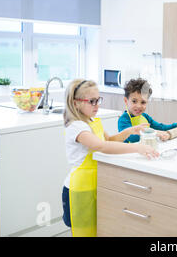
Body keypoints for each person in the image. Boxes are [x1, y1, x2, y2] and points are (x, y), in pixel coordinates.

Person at [62, 79, 159, 237]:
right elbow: (101, 146)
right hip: (78, 189)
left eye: (98, 100)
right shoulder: (76, 127)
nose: (97, 105)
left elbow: (109, 141)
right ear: (76, 103)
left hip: (94, 184)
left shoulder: (92, 121)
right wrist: (137, 147)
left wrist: (130, 131)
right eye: (92, 101)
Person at [118, 78, 177, 142]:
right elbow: (131, 137)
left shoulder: (145, 117)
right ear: (126, 101)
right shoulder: (123, 120)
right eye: (134, 101)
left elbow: (161, 127)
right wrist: (154, 133)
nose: (138, 106)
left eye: (143, 102)